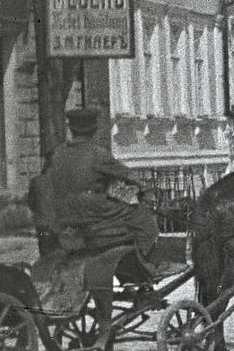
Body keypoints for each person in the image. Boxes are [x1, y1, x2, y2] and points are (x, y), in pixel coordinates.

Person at [35, 107, 162, 296]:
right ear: (94, 130)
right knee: (141, 215)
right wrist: (143, 189)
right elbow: (128, 176)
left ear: (72, 129)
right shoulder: (98, 154)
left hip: (61, 210)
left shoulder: (58, 153)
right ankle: (142, 266)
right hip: (89, 208)